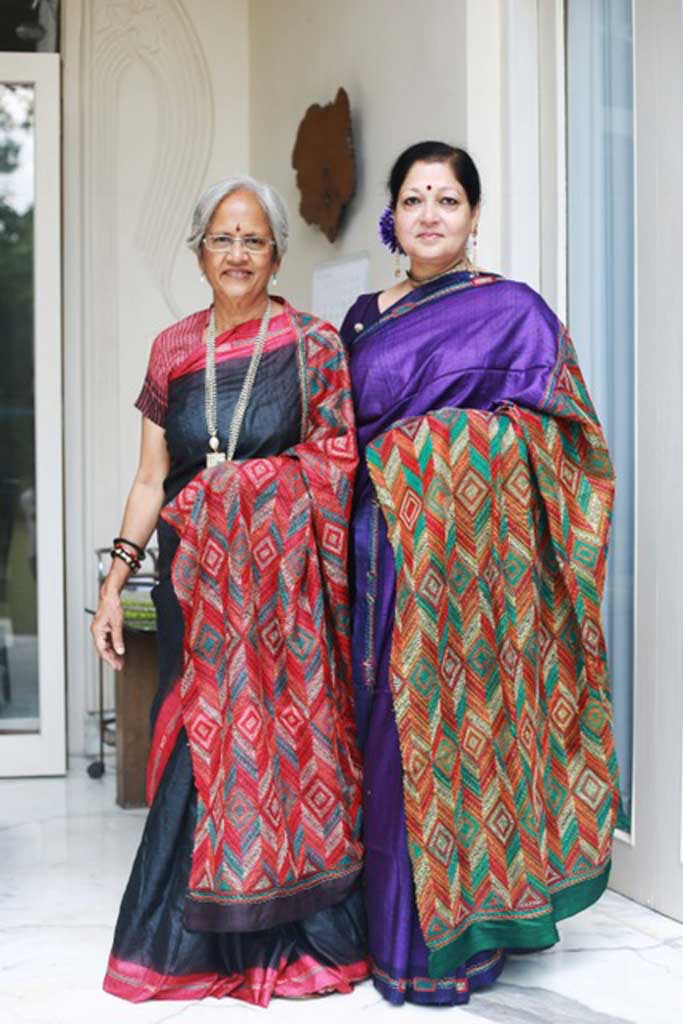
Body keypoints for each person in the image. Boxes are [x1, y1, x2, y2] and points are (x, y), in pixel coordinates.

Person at [340, 142, 620, 1007]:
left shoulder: (512, 311)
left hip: (476, 578)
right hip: (381, 555)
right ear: (391, 216)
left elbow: (570, 438)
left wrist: (446, 445)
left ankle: (463, 939)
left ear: (472, 215)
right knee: (388, 737)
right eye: (413, 198)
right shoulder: (359, 320)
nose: (429, 214)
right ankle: (388, 939)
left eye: (447, 199)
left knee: (468, 737)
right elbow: (335, 438)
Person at [92, 176, 368, 1005]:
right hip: (194, 585)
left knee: (280, 745)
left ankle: (296, 933)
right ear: (199, 252)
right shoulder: (172, 349)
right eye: (223, 238)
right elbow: (151, 478)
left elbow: (337, 462)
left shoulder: (314, 344)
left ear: (277, 254)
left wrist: (249, 490)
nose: (238, 253)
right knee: (200, 741)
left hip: (283, 597)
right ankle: (192, 944)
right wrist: (114, 581)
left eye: (253, 240)